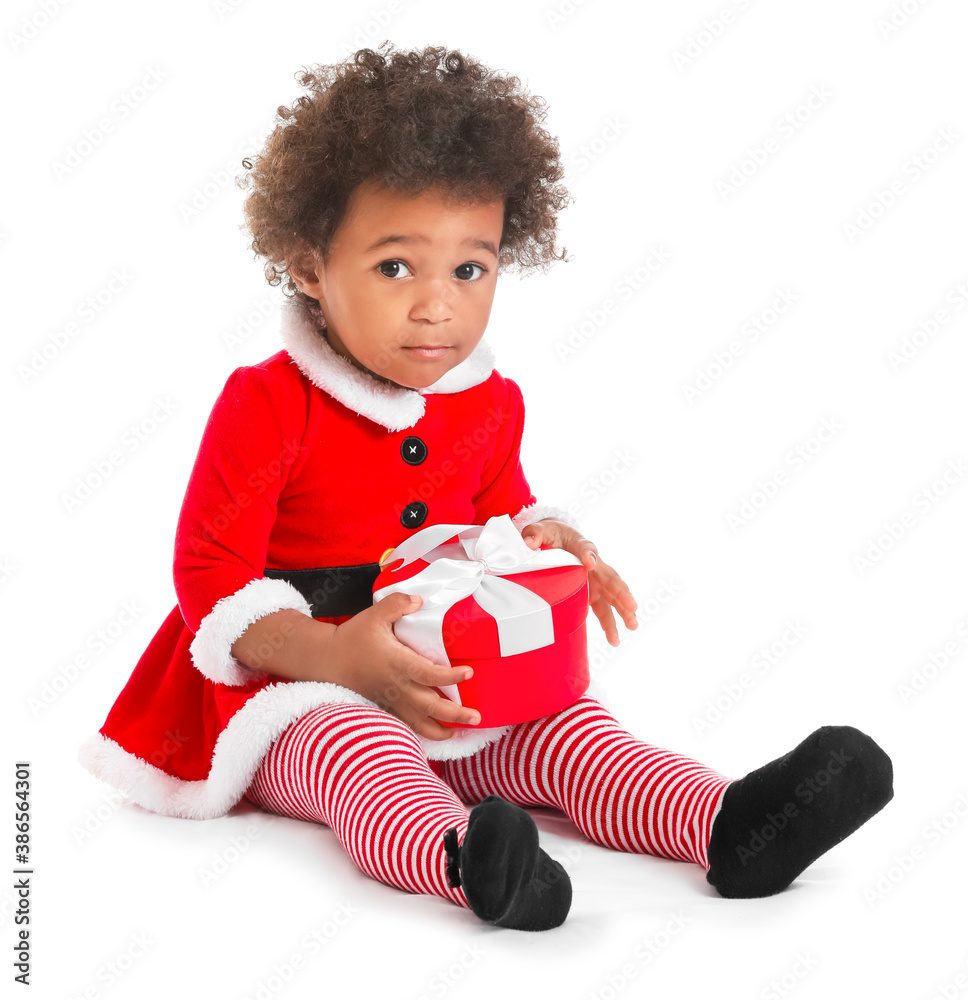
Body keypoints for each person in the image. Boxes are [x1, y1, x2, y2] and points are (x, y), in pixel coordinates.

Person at [79, 43, 893, 931]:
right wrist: (342, 657)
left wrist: (558, 548)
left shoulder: (490, 402)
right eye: (395, 267)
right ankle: (467, 861)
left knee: (570, 732)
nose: (439, 306)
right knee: (364, 754)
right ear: (311, 267)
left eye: (470, 269)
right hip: (288, 685)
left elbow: (501, 518)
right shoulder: (268, 403)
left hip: (452, 660)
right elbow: (210, 579)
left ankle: (727, 823)